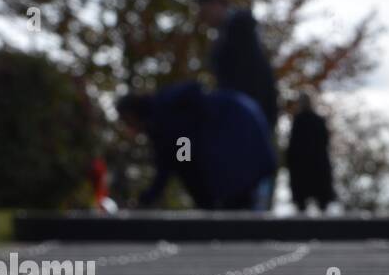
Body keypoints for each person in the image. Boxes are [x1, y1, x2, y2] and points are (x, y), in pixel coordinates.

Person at [117, 81, 276, 210]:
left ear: (131, 114)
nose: (128, 128)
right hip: (243, 128)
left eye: (126, 121)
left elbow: (182, 161)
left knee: (236, 204)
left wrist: (204, 203)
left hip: (236, 138)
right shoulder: (166, 111)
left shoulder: (167, 119)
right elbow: (176, 161)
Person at [198, 0, 279, 206]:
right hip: (245, 113)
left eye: (206, 12)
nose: (206, 20)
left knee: (252, 171)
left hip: (247, 114)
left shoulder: (238, 31)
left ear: (216, 3)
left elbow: (248, 77)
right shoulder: (231, 33)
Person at [286, 92, 336, 214]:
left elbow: (293, 146)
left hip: (305, 168)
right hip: (313, 167)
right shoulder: (315, 120)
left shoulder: (299, 121)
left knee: (304, 205)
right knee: (318, 205)